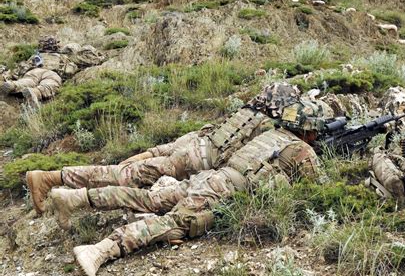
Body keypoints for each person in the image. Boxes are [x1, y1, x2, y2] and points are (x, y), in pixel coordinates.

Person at [50, 127, 321, 276]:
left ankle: (77, 198)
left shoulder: (270, 133)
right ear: (309, 132)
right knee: (174, 224)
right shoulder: (301, 150)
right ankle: (99, 250)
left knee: (150, 199)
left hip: (211, 179)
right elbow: (317, 189)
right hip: (223, 192)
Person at [25, 82, 306, 214]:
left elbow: (206, 133)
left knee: (125, 172)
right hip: (194, 164)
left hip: (190, 150)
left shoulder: (245, 113)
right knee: (123, 176)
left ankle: (56, 181)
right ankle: (51, 180)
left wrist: (158, 150)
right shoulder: (268, 127)